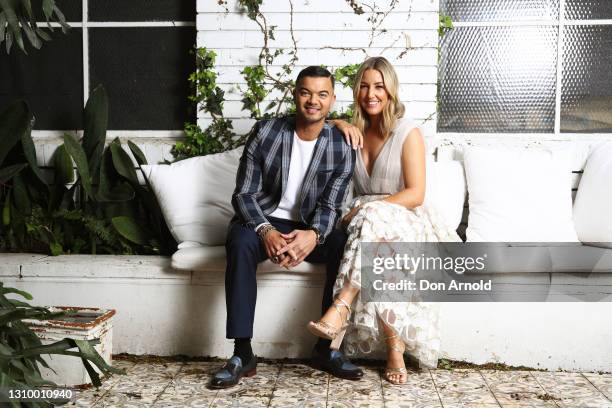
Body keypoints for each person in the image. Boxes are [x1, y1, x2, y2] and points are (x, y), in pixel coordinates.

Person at [307, 57, 461, 385]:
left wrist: (367, 210)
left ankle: (343, 302)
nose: (370, 93)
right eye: (363, 86)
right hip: (369, 224)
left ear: (391, 91)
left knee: (375, 224)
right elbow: (318, 126)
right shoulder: (355, 131)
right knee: (376, 238)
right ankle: (395, 348)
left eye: (378, 86)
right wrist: (336, 122)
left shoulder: (408, 131)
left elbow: (416, 193)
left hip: (406, 214)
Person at [210, 66, 364, 389]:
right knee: (239, 239)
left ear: (333, 100)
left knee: (341, 243)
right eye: (306, 92)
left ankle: (325, 348)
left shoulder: (341, 145)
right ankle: (242, 353)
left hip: (310, 224)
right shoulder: (266, 132)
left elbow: (332, 205)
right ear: (295, 95)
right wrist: (265, 231)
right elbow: (244, 194)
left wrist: (313, 235)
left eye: (322, 94)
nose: (313, 101)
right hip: (265, 218)